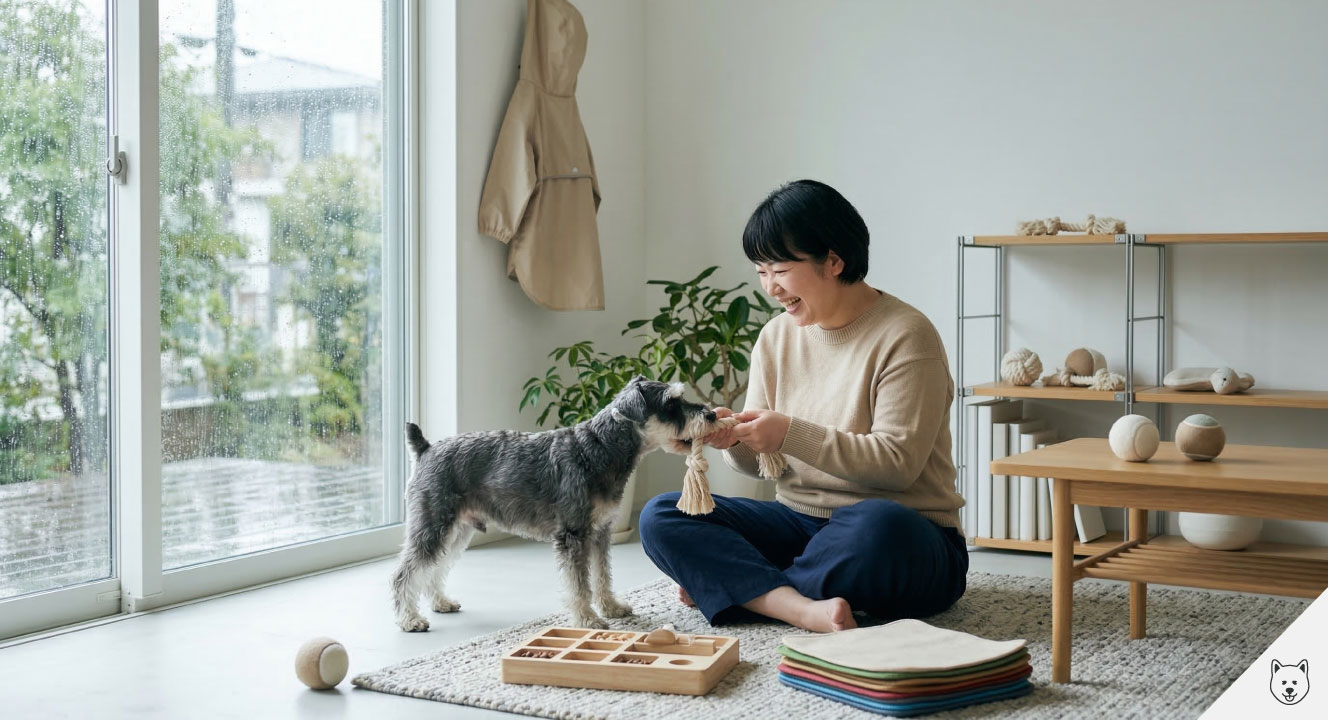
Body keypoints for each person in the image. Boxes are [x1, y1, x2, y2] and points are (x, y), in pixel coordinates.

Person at [638, 179, 967, 633]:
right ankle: (798, 606)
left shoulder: (907, 335)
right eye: (760, 271)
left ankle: (741, 588)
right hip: (799, 525)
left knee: (881, 526)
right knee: (662, 515)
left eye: (779, 269)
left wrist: (790, 432)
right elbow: (761, 468)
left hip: (902, 536)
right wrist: (731, 437)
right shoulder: (775, 337)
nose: (770, 287)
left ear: (833, 260)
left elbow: (897, 467)